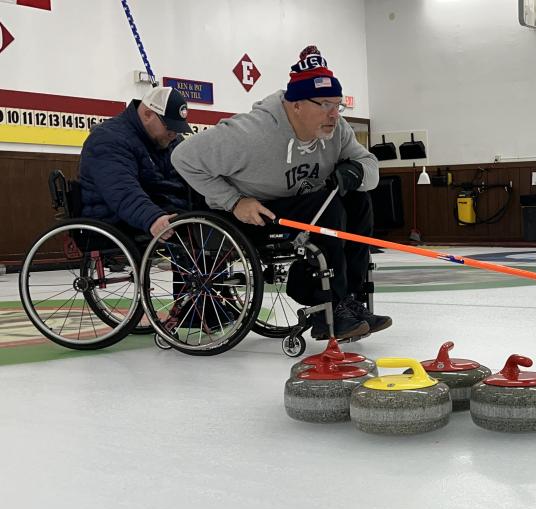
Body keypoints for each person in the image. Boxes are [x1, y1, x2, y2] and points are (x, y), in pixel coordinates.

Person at [172, 45, 390, 341]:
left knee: (357, 199)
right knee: (329, 209)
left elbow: (370, 167)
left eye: (338, 105)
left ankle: (351, 300)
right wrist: (233, 201)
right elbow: (183, 157)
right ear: (296, 104)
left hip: (302, 204)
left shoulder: (337, 131)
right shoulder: (250, 135)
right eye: (324, 104)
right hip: (254, 214)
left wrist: (357, 173)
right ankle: (330, 309)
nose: (334, 114)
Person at [79, 86, 194, 240]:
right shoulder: (108, 139)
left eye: (178, 129)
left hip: (167, 211)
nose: (174, 134)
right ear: (148, 115)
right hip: (118, 223)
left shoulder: (171, 141)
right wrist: (153, 218)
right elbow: (121, 189)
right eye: (169, 127)